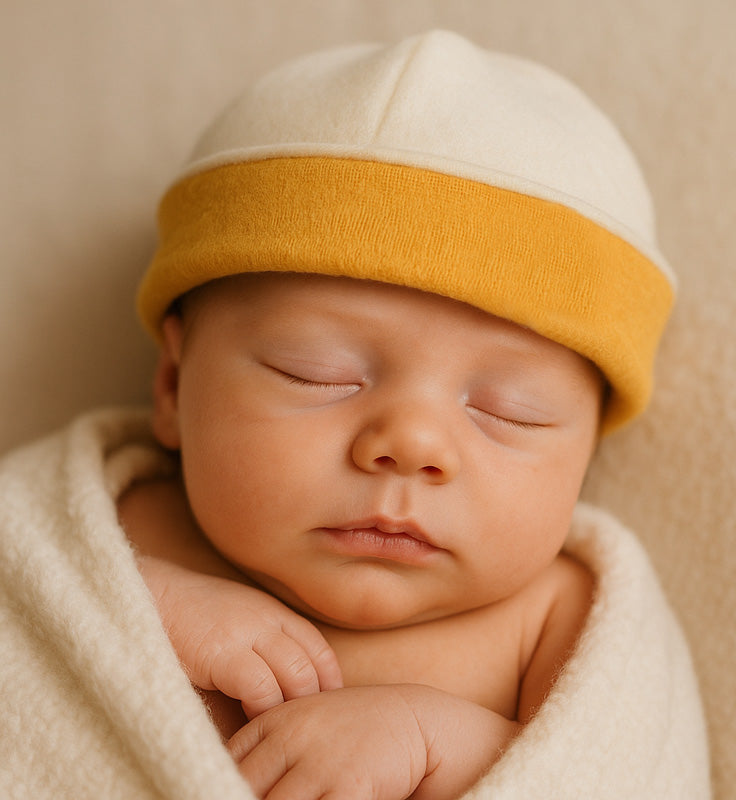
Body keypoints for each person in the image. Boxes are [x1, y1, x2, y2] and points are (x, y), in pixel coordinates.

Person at [117, 30, 686, 799]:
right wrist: (139, 605)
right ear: (173, 385)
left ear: (586, 449)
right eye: (315, 373)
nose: (411, 444)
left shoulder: (560, 616)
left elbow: (626, 776)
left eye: (509, 412)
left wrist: (440, 742)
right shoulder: (110, 519)